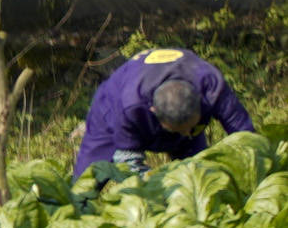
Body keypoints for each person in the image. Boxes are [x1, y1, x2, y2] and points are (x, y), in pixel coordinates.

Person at [77, 50, 258, 175]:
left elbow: (246, 136)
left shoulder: (212, 86)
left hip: (176, 103)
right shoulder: (129, 107)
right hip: (113, 104)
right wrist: (156, 190)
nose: (188, 134)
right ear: (154, 112)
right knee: (88, 180)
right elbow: (128, 164)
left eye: (192, 127)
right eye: (180, 129)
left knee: (197, 172)